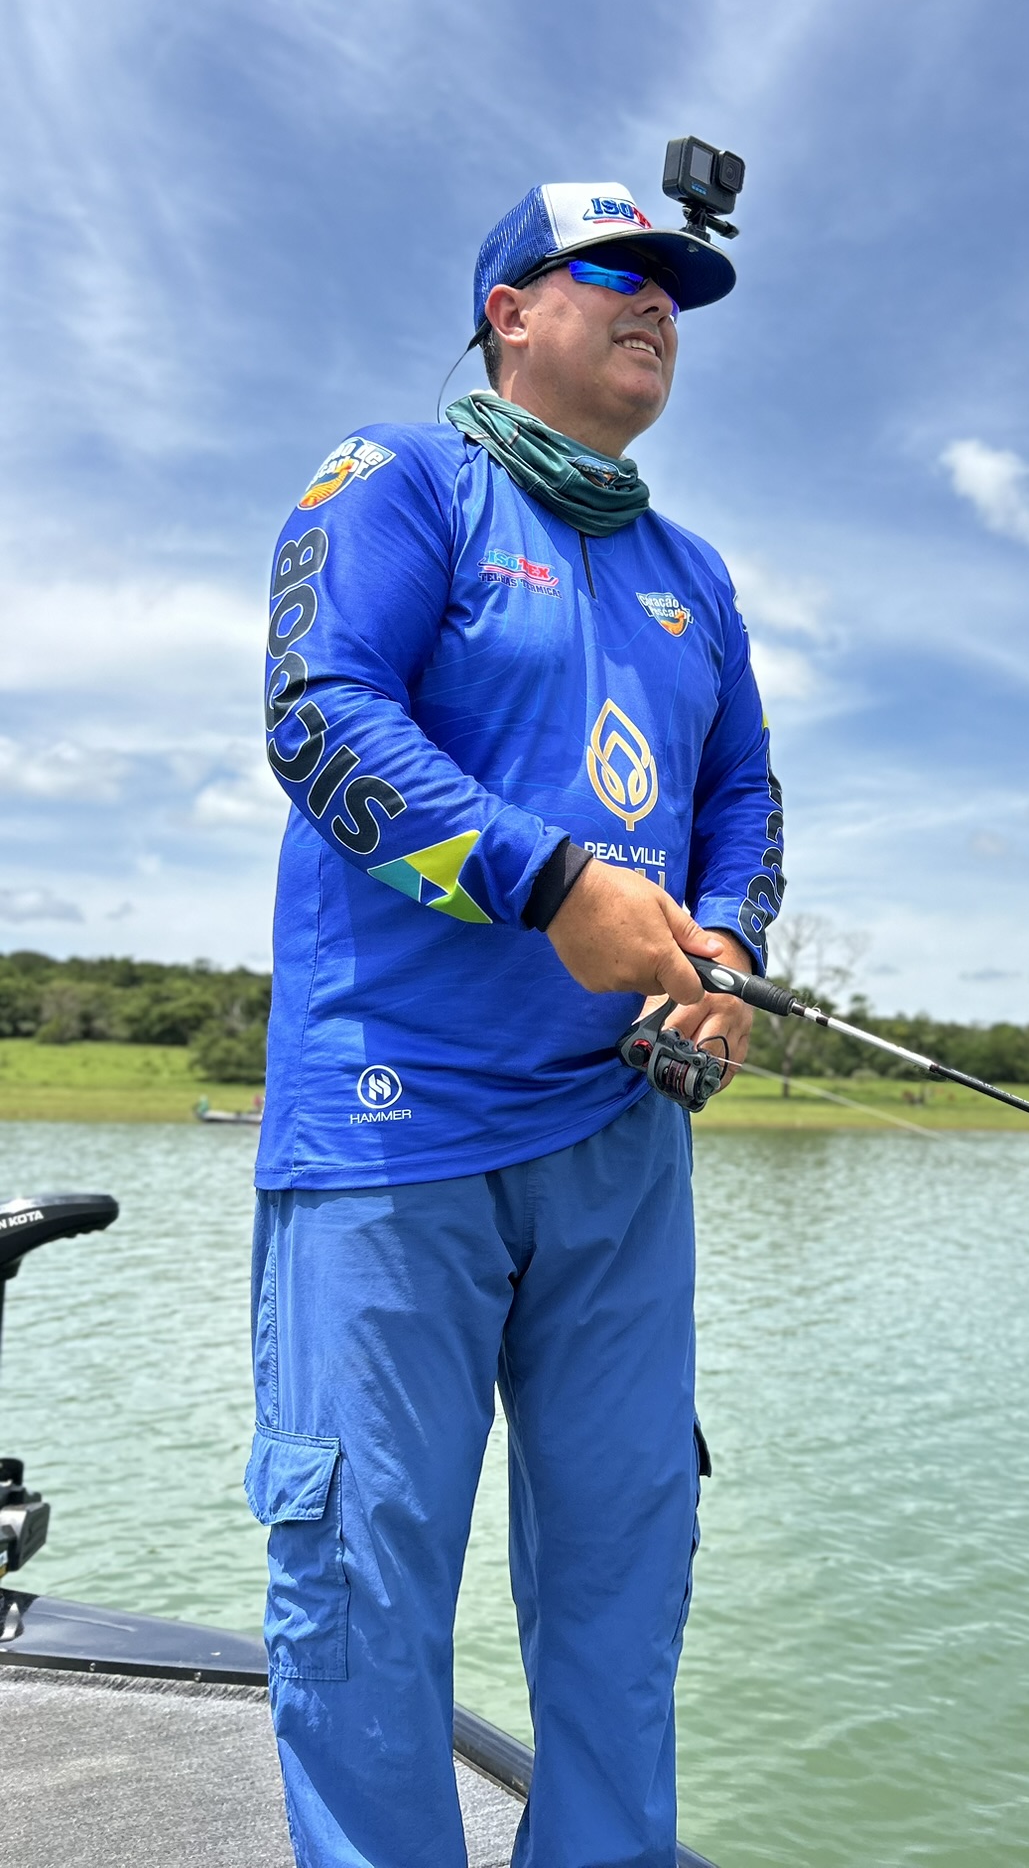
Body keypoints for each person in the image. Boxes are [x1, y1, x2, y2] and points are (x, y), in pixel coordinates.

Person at [247, 179, 784, 1868]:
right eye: (615, 272)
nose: (657, 303)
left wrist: (724, 950)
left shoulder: (698, 573)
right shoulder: (397, 479)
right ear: (509, 312)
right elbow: (318, 712)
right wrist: (547, 883)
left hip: (620, 1136)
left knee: (630, 1562)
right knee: (363, 1573)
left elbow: (742, 793)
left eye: (675, 287)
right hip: (390, 1122)